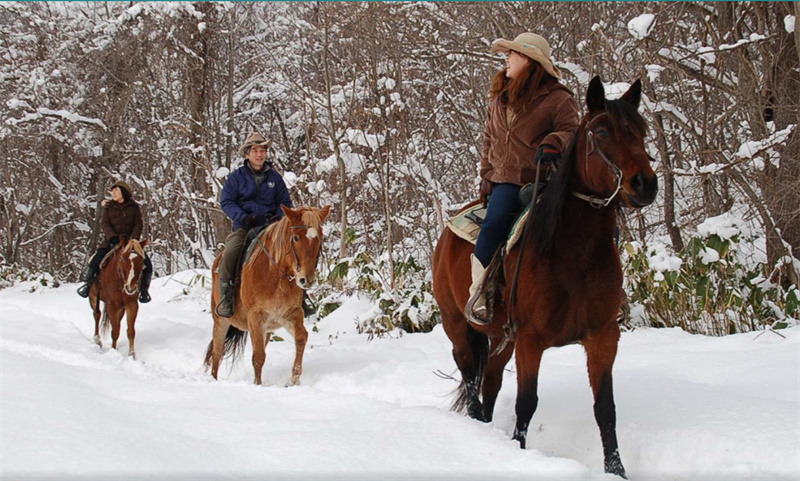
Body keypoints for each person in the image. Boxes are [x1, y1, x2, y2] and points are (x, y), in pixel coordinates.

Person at [467, 32, 580, 324]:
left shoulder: (558, 99)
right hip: (505, 179)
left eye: (512, 54)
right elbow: (488, 138)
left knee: (583, 222)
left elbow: (573, 132)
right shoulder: (498, 98)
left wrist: (555, 140)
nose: (506, 59)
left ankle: (599, 293)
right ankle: (480, 292)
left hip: (542, 179)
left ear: (529, 61)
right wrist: (485, 173)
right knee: (494, 222)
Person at [216, 131, 292, 318]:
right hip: (245, 226)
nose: (260, 154)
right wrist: (243, 217)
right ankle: (226, 297)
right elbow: (226, 201)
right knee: (230, 252)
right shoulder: (236, 178)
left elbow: (285, 203)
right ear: (247, 154)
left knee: (294, 251)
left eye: (263, 150)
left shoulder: (275, 178)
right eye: (255, 150)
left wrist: (277, 217)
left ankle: (301, 298)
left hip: (271, 227)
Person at [77, 180, 153, 303]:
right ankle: (87, 285)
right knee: (96, 260)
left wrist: (133, 239)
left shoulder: (134, 207)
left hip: (130, 243)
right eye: (112, 191)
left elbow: (138, 224)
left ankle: (144, 291)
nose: (113, 193)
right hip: (110, 241)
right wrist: (112, 237)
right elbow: (104, 224)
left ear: (123, 192)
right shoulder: (109, 207)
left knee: (147, 264)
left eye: (116, 190)